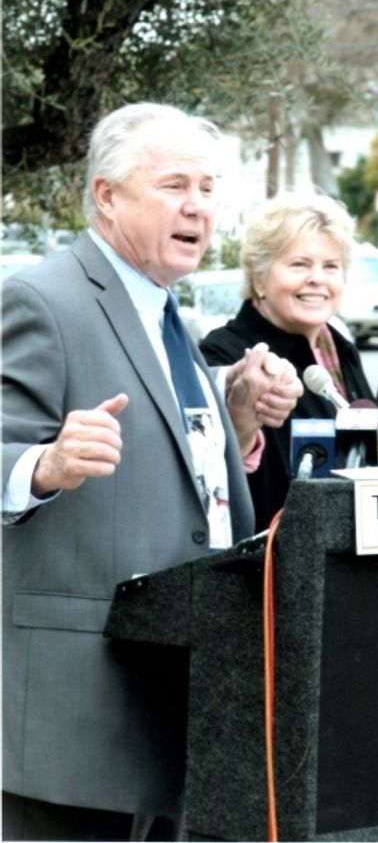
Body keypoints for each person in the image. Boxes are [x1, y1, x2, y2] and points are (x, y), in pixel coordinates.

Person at [1, 102, 303, 841]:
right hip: (74, 711)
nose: (198, 206)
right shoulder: (42, 299)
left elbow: (180, 479)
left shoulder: (171, 316)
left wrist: (235, 417)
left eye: (207, 187)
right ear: (106, 195)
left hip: (172, 694)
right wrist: (46, 464)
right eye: (174, 185)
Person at [201, 191, 374, 530]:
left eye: (330, 266)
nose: (317, 279)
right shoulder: (225, 354)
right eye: (299, 264)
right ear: (259, 278)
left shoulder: (340, 350)